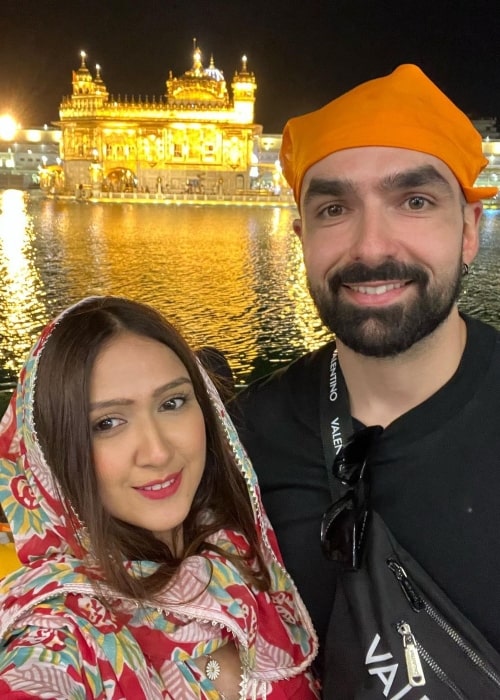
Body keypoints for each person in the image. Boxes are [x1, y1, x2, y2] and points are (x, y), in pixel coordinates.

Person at [236, 63, 500, 692]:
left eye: (414, 201)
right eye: (334, 208)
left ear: (469, 230)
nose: (371, 246)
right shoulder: (242, 438)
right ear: (301, 237)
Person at [0, 296, 318, 699]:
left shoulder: (242, 552)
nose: (158, 452)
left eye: (173, 402)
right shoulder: (60, 636)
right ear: (53, 454)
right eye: (108, 423)